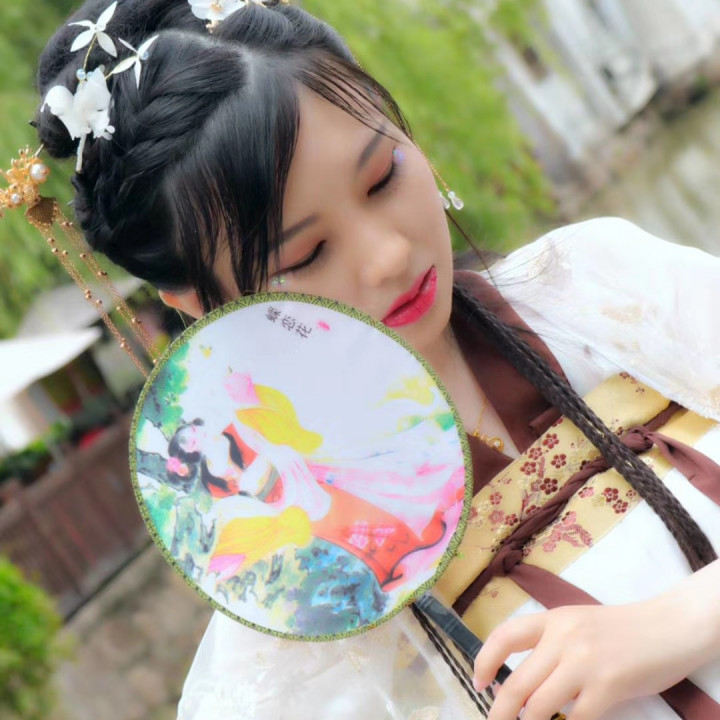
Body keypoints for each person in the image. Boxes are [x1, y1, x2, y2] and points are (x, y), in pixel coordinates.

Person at [26, 0, 720, 717]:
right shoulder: (288, 621)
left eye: (383, 176)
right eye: (306, 254)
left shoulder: (605, 289)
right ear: (198, 305)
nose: (388, 255)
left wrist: (682, 622)